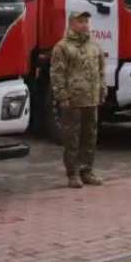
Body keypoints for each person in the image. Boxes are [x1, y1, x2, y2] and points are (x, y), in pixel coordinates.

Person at [50, 10, 107, 188]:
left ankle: (87, 170)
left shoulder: (94, 46)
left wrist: (102, 91)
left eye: (86, 22)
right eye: (80, 21)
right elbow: (57, 74)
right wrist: (62, 96)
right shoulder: (62, 47)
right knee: (72, 138)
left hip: (91, 98)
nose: (84, 25)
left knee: (90, 136)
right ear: (71, 23)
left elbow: (101, 71)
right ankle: (73, 173)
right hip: (73, 100)